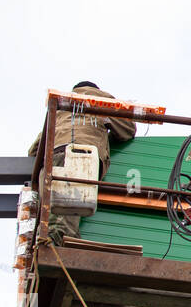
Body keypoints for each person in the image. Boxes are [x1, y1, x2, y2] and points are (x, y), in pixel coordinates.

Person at [28, 82, 137, 244]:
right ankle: (59, 242)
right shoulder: (102, 102)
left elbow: (34, 151)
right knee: (69, 204)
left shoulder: (59, 106)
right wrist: (106, 121)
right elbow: (127, 130)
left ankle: (49, 240)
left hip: (55, 154)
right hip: (83, 155)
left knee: (52, 205)